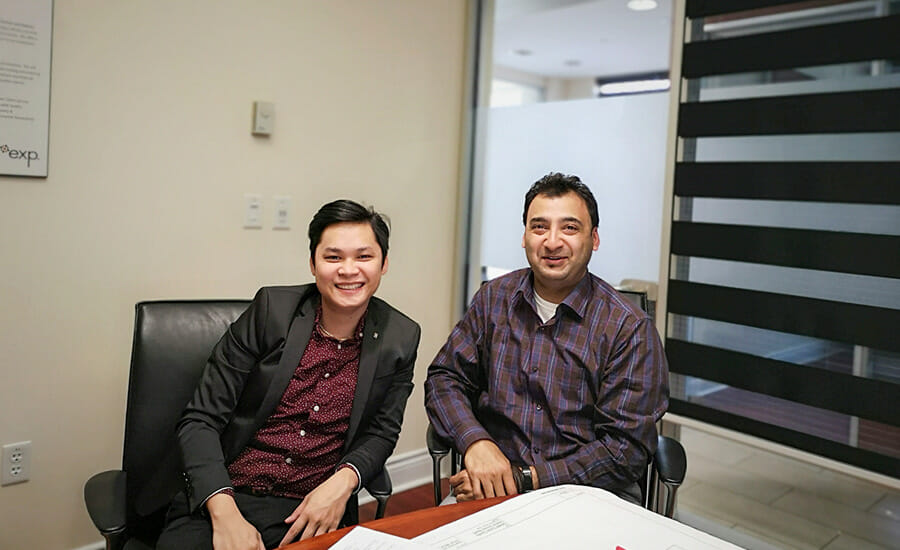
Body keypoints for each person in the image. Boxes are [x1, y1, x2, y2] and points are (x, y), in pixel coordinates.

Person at [156, 199, 420, 550]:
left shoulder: (400, 336)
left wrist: (343, 484)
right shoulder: (271, 312)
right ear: (313, 264)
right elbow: (200, 419)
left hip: (313, 506)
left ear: (384, 264)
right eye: (333, 257)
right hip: (228, 492)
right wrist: (225, 513)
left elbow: (382, 431)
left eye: (364, 256)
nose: (349, 270)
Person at [425, 172, 668, 505]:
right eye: (539, 227)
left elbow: (624, 450)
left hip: (589, 496)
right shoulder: (493, 299)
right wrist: (477, 444)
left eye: (570, 228)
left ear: (594, 239)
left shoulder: (629, 329)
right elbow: (445, 378)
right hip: (491, 483)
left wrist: (526, 479)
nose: (552, 242)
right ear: (524, 236)